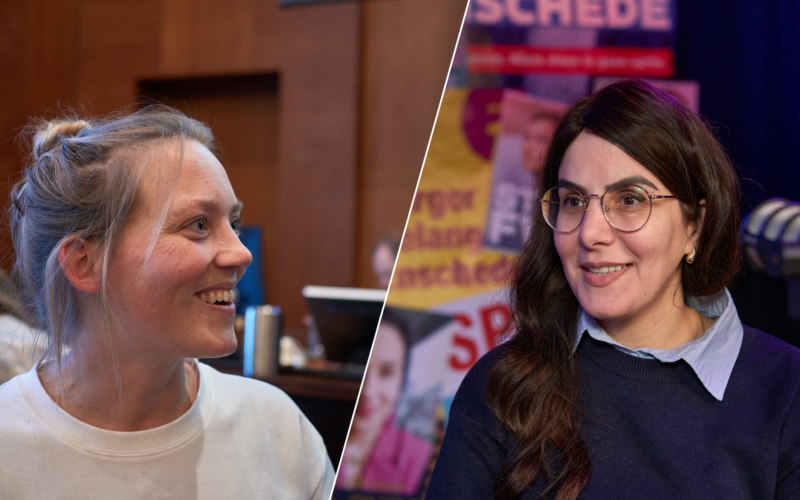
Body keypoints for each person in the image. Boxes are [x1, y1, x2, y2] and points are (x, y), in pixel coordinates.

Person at [426, 80, 800, 499]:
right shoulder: (501, 387)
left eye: (629, 199)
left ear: (694, 225)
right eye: (573, 201)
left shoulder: (786, 390)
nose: (590, 233)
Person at [0, 107, 335, 498]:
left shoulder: (277, 429)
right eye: (198, 225)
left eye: (235, 223)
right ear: (85, 264)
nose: (241, 254)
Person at [335, 312, 432, 495]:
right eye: (361, 368)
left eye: (386, 372)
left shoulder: (418, 454)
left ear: (402, 381)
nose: (368, 391)